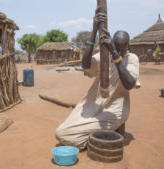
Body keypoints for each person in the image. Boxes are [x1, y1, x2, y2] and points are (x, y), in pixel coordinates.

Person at [55, 11, 140, 150]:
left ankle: (112, 128)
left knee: (65, 135)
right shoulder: (104, 56)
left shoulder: (131, 58)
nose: (118, 50)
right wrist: (94, 31)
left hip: (115, 109)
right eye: (115, 46)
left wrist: (115, 53)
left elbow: (129, 84)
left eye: (121, 48)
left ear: (127, 46)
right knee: (61, 131)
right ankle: (110, 131)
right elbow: (85, 65)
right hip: (94, 103)